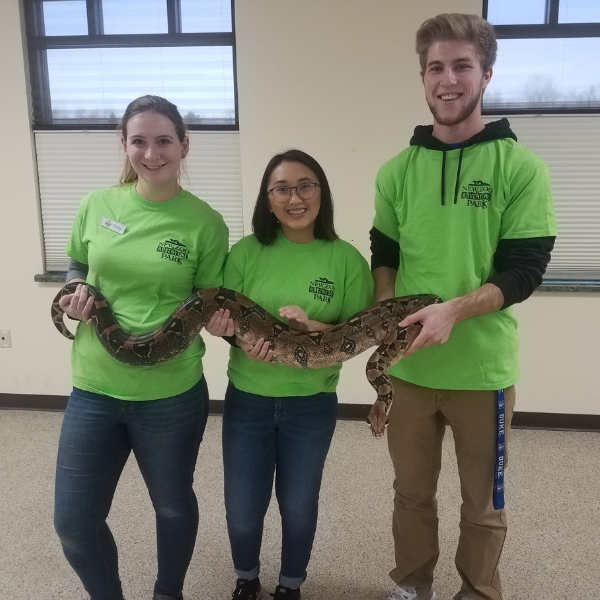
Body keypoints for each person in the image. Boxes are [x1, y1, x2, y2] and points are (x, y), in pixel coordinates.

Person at [368, 13, 556, 600]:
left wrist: (453, 311)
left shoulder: (521, 169)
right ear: (423, 78)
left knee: (484, 499)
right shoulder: (396, 171)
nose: (448, 80)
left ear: (486, 74)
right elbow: (385, 254)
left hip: (482, 371)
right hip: (410, 370)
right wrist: (382, 319)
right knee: (411, 492)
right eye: (436, 68)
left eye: (461, 66)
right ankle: (411, 585)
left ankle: (477, 591)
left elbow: (524, 271)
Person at [54, 95, 229, 600]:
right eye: (139, 141)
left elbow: (210, 301)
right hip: (94, 387)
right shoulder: (97, 204)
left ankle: (166, 593)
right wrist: (75, 292)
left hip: (171, 394)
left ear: (184, 146)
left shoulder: (205, 222)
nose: (151, 153)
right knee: (73, 521)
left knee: (172, 504)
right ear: (124, 144)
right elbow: (75, 267)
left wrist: (223, 325)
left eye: (163, 141)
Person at [206, 149, 373, 600]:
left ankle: (290, 585)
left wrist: (309, 329)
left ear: (321, 193)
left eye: (305, 185)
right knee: (242, 507)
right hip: (248, 398)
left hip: (311, 403)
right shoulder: (245, 253)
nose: (294, 198)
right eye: (282, 188)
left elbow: (360, 333)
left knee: (298, 506)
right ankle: (246, 576)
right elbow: (223, 319)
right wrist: (232, 335)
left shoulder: (346, 260)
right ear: (268, 198)